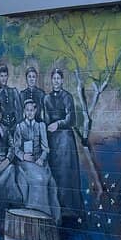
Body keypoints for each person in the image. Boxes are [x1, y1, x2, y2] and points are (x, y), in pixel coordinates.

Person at [43, 67, 83, 223]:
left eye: (59, 78)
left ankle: (70, 211)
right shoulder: (46, 99)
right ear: (51, 80)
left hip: (65, 140)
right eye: (54, 78)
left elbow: (71, 119)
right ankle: (56, 208)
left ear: (62, 80)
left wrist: (58, 124)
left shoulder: (67, 97)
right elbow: (46, 118)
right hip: (52, 139)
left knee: (66, 174)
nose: (56, 81)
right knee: (55, 173)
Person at [12, 98, 61, 222]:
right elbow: (15, 148)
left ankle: (48, 217)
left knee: (47, 180)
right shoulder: (19, 127)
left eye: (31, 110)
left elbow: (46, 148)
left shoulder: (41, 126)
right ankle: (34, 216)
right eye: (27, 110)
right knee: (37, 179)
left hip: (39, 161)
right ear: (24, 111)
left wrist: (41, 158)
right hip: (25, 163)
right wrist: (23, 156)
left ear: (35, 111)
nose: (29, 113)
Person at [0, 64, 22, 133]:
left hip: (14, 125)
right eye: (1, 76)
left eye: (5, 76)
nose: (3, 78)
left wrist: (18, 125)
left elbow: (19, 110)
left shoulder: (13, 91)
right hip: (2, 127)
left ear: (7, 76)